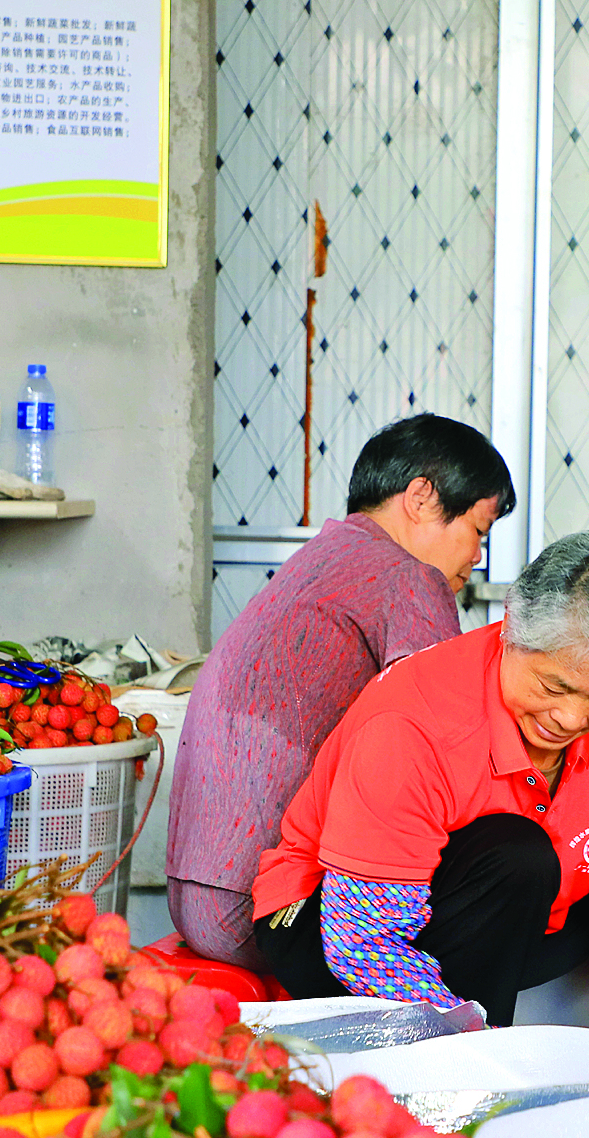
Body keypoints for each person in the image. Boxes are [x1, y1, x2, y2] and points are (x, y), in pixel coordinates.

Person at [249, 530, 589, 1054]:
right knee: (517, 852)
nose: (569, 717)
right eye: (553, 687)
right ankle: (473, 1060)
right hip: (342, 929)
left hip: (517, 911)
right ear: (511, 628)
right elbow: (362, 944)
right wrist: (480, 1052)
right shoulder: (413, 724)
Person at [165, 414, 514, 967]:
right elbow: (451, 749)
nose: (477, 557)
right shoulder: (408, 577)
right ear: (421, 498)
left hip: (195, 901)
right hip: (260, 910)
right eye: (479, 531)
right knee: (512, 856)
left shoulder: (321, 557)